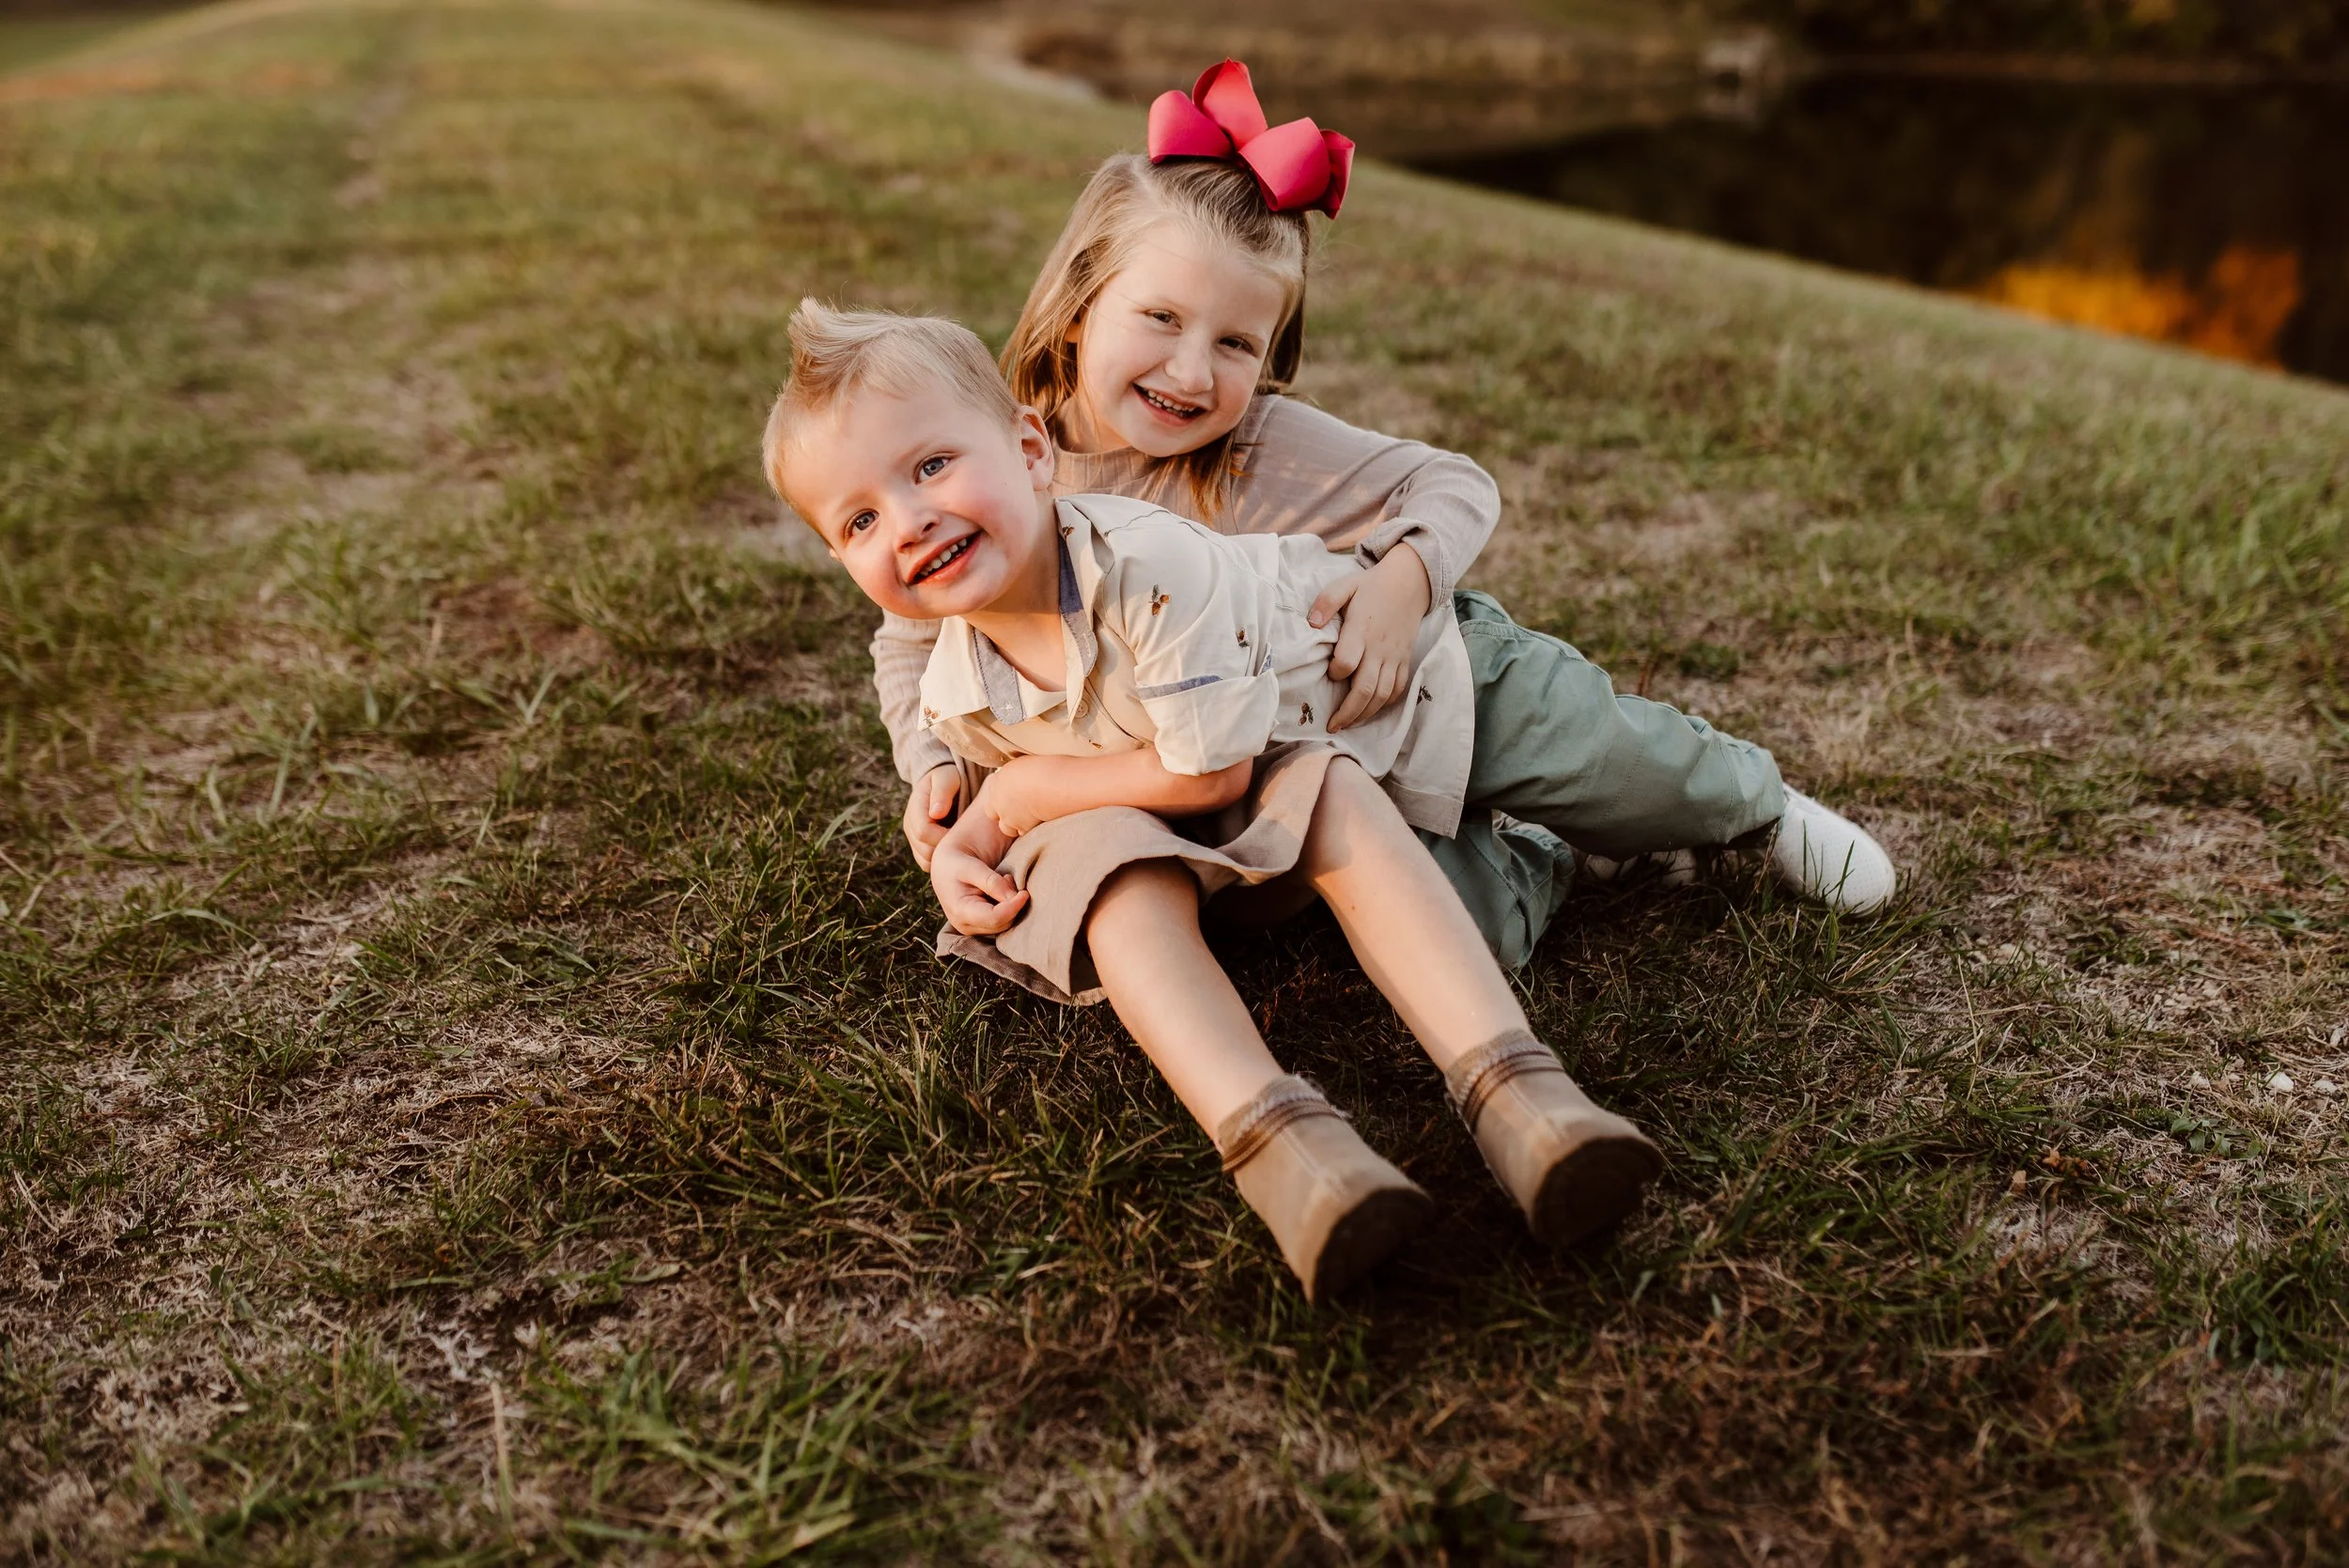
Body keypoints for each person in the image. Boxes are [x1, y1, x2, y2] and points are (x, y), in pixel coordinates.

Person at [869, 61, 1897, 972]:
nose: (1193, 371)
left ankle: (1754, 805)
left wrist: (1402, 586)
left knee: (1613, 767)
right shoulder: (1011, 470)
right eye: (1161, 319)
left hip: (1440, 680)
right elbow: (918, 633)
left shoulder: (1258, 442)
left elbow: (1454, 485)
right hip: (1302, 768)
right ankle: (1538, 859)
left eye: (1237, 343)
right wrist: (935, 767)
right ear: (1083, 294)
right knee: (1472, 937)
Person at [763, 300, 1663, 1302]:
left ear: (1028, 448)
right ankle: (1288, 1151)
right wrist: (954, 849)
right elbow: (981, 794)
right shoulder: (955, 686)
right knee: (1111, 883)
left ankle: (1521, 1096)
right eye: (859, 519)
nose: (910, 518)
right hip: (1155, 848)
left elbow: (1217, 778)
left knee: (1333, 792)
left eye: (930, 466)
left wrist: (1021, 790)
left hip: (1244, 782)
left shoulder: (1147, 566)